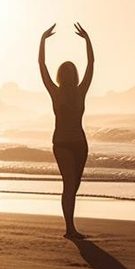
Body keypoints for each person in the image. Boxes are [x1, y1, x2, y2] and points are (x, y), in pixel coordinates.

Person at [38, 22, 94, 239]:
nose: (70, 74)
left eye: (72, 70)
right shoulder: (55, 92)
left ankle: (71, 226)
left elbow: (91, 64)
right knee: (69, 184)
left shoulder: (82, 91)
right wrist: (42, 40)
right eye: (66, 71)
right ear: (61, 74)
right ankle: (69, 229)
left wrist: (87, 40)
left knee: (75, 186)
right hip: (62, 143)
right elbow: (42, 65)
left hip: (80, 144)